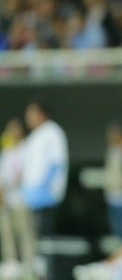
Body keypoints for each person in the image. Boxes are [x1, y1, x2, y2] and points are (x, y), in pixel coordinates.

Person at [21, 102, 69, 248]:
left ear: (42, 114)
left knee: (45, 233)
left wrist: (46, 186)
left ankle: (47, 265)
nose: (28, 118)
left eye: (32, 114)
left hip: (46, 193)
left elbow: (57, 161)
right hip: (31, 193)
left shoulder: (52, 132)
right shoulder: (34, 136)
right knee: (31, 232)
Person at [0, 119, 37, 280]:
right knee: (7, 233)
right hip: (7, 198)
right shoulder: (7, 151)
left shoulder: (27, 149)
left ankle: (29, 264)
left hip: (22, 198)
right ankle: (11, 264)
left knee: (25, 232)